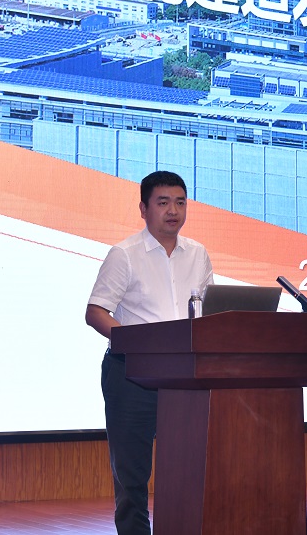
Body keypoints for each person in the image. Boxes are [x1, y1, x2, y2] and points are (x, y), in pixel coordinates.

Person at [85, 170, 214, 535]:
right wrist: (137, 342)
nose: (173, 210)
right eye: (163, 202)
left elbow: (209, 310)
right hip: (132, 374)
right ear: (144, 209)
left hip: (185, 377)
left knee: (189, 469)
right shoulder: (124, 255)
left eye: (180, 202)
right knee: (132, 476)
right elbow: (95, 312)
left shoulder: (198, 254)